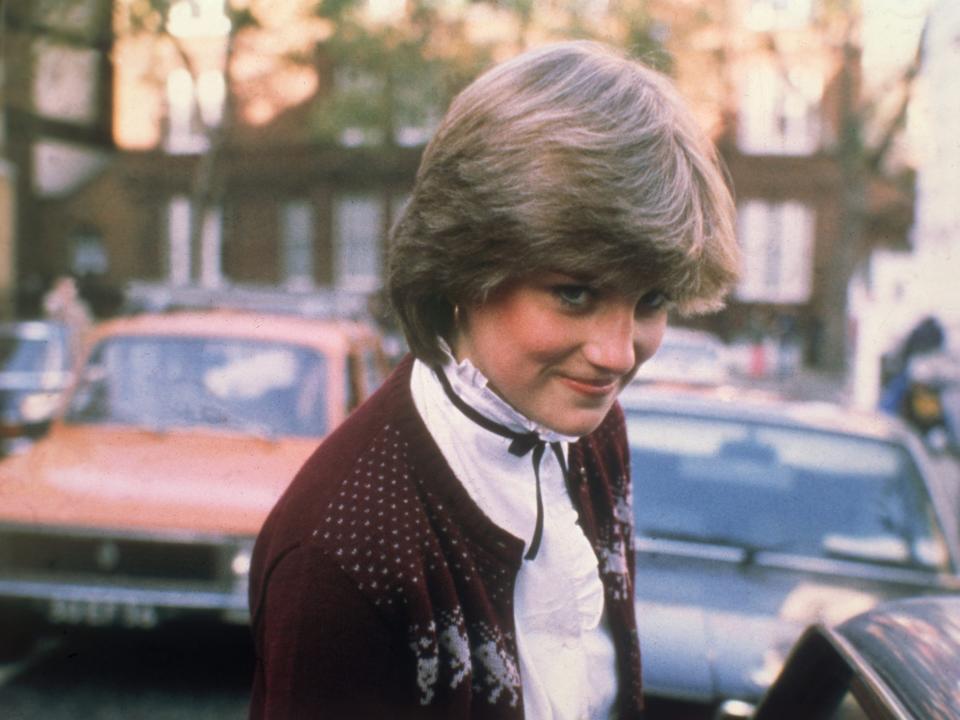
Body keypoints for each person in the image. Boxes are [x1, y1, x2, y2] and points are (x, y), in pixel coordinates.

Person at [248, 40, 740, 719]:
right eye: (575, 293)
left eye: (651, 301)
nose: (619, 353)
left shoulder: (590, 429)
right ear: (464, 266)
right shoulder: (338, 554)